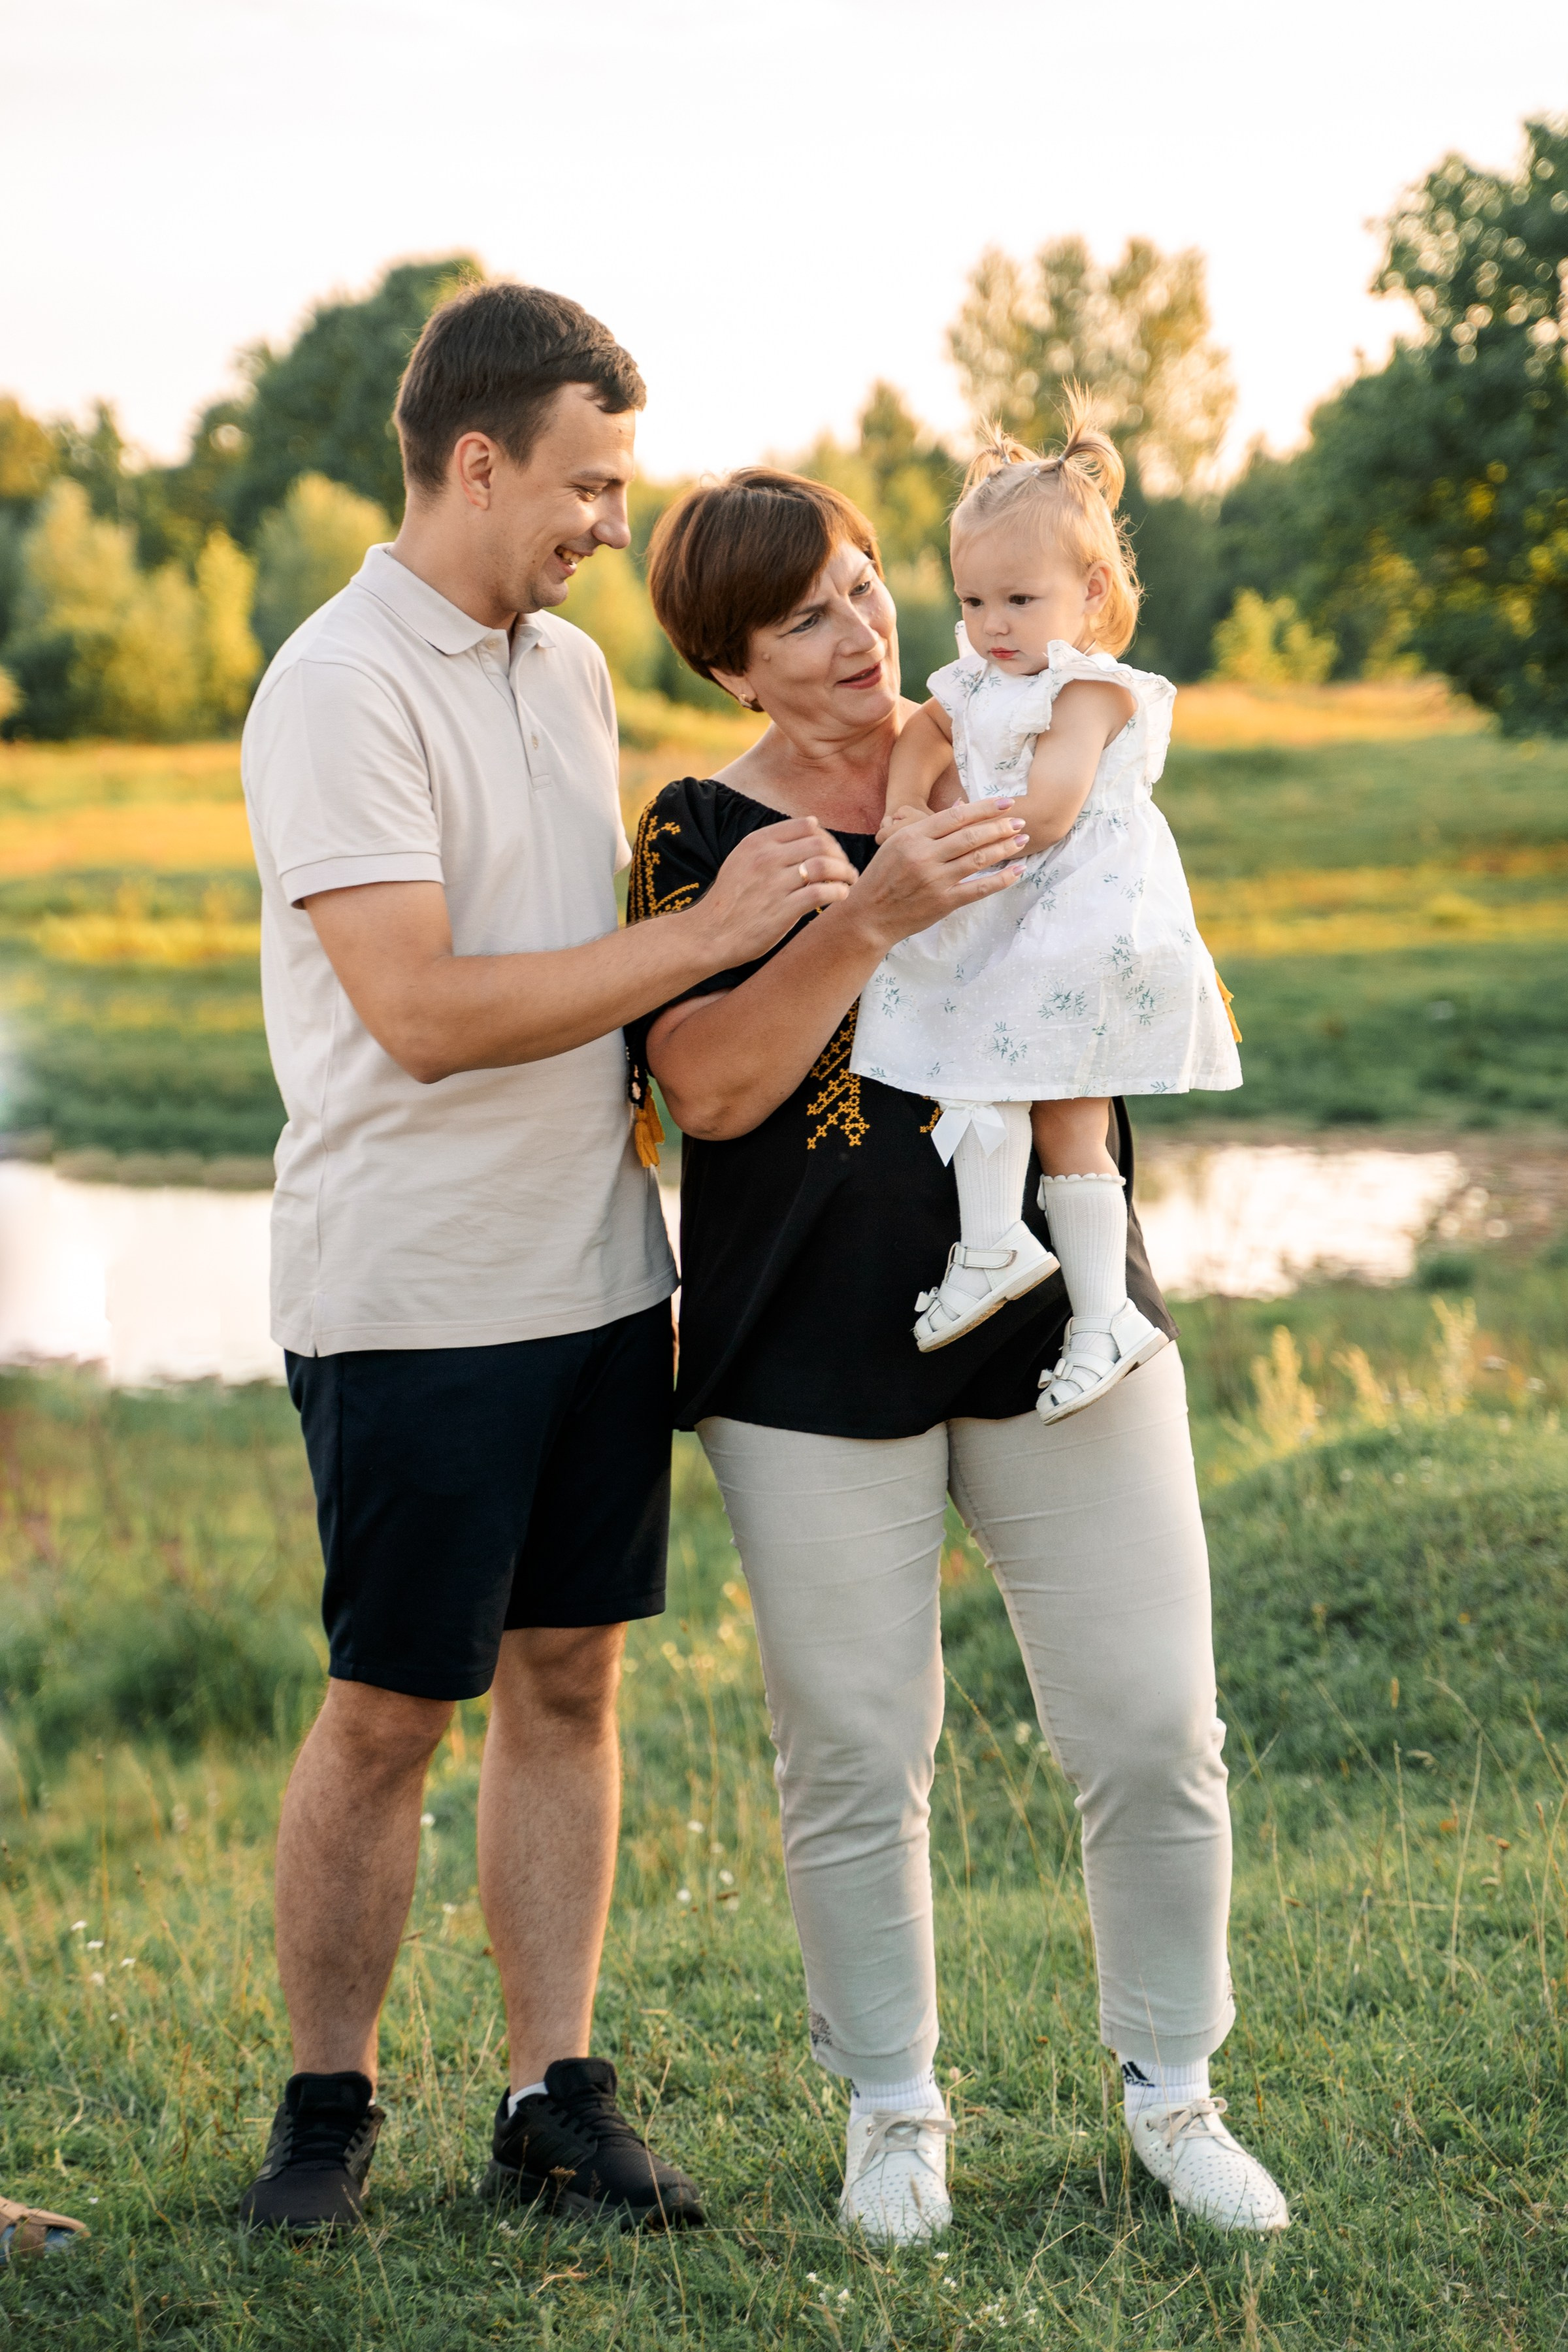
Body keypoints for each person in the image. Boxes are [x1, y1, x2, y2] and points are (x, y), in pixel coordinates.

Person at [238, 282, 858, 2234]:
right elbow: (417, 1006)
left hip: (600, 1268)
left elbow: (559, 967)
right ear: (479, 460)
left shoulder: (566, 672)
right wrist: (698, 941)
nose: (611, 521)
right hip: (413, 1287)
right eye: (588, 484)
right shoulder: (336, 688)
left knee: (570, 1679)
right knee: (390, 1706)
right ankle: (325, 2118)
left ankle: (549, 2097)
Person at [631, 465, 1290, 2243]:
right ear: (730, 664)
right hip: (803, 1347)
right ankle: (896, 2111)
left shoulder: (1017, 725)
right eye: (802, 622)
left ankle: (1177, 2094)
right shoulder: (702, 829)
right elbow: (704, 1088)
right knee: (854, 1744)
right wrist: (869, 907)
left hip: (1063, 1320)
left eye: (863, 588)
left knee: (1157, 1723)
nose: (860, 636)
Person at [850, 399, 1240, 1414]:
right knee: (1042, 1102)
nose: (992, 626)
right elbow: (925, 736)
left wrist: (953, 842)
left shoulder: (1092, 688)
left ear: (1092, 589)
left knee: (1013, 1068)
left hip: (1084, 920)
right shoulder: (978, 676)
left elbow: (1055, 807)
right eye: (973, 601)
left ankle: (1048, 1281)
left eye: (1019, 600)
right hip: (1026, 901)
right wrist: (901, 807)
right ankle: (1043, 1277)